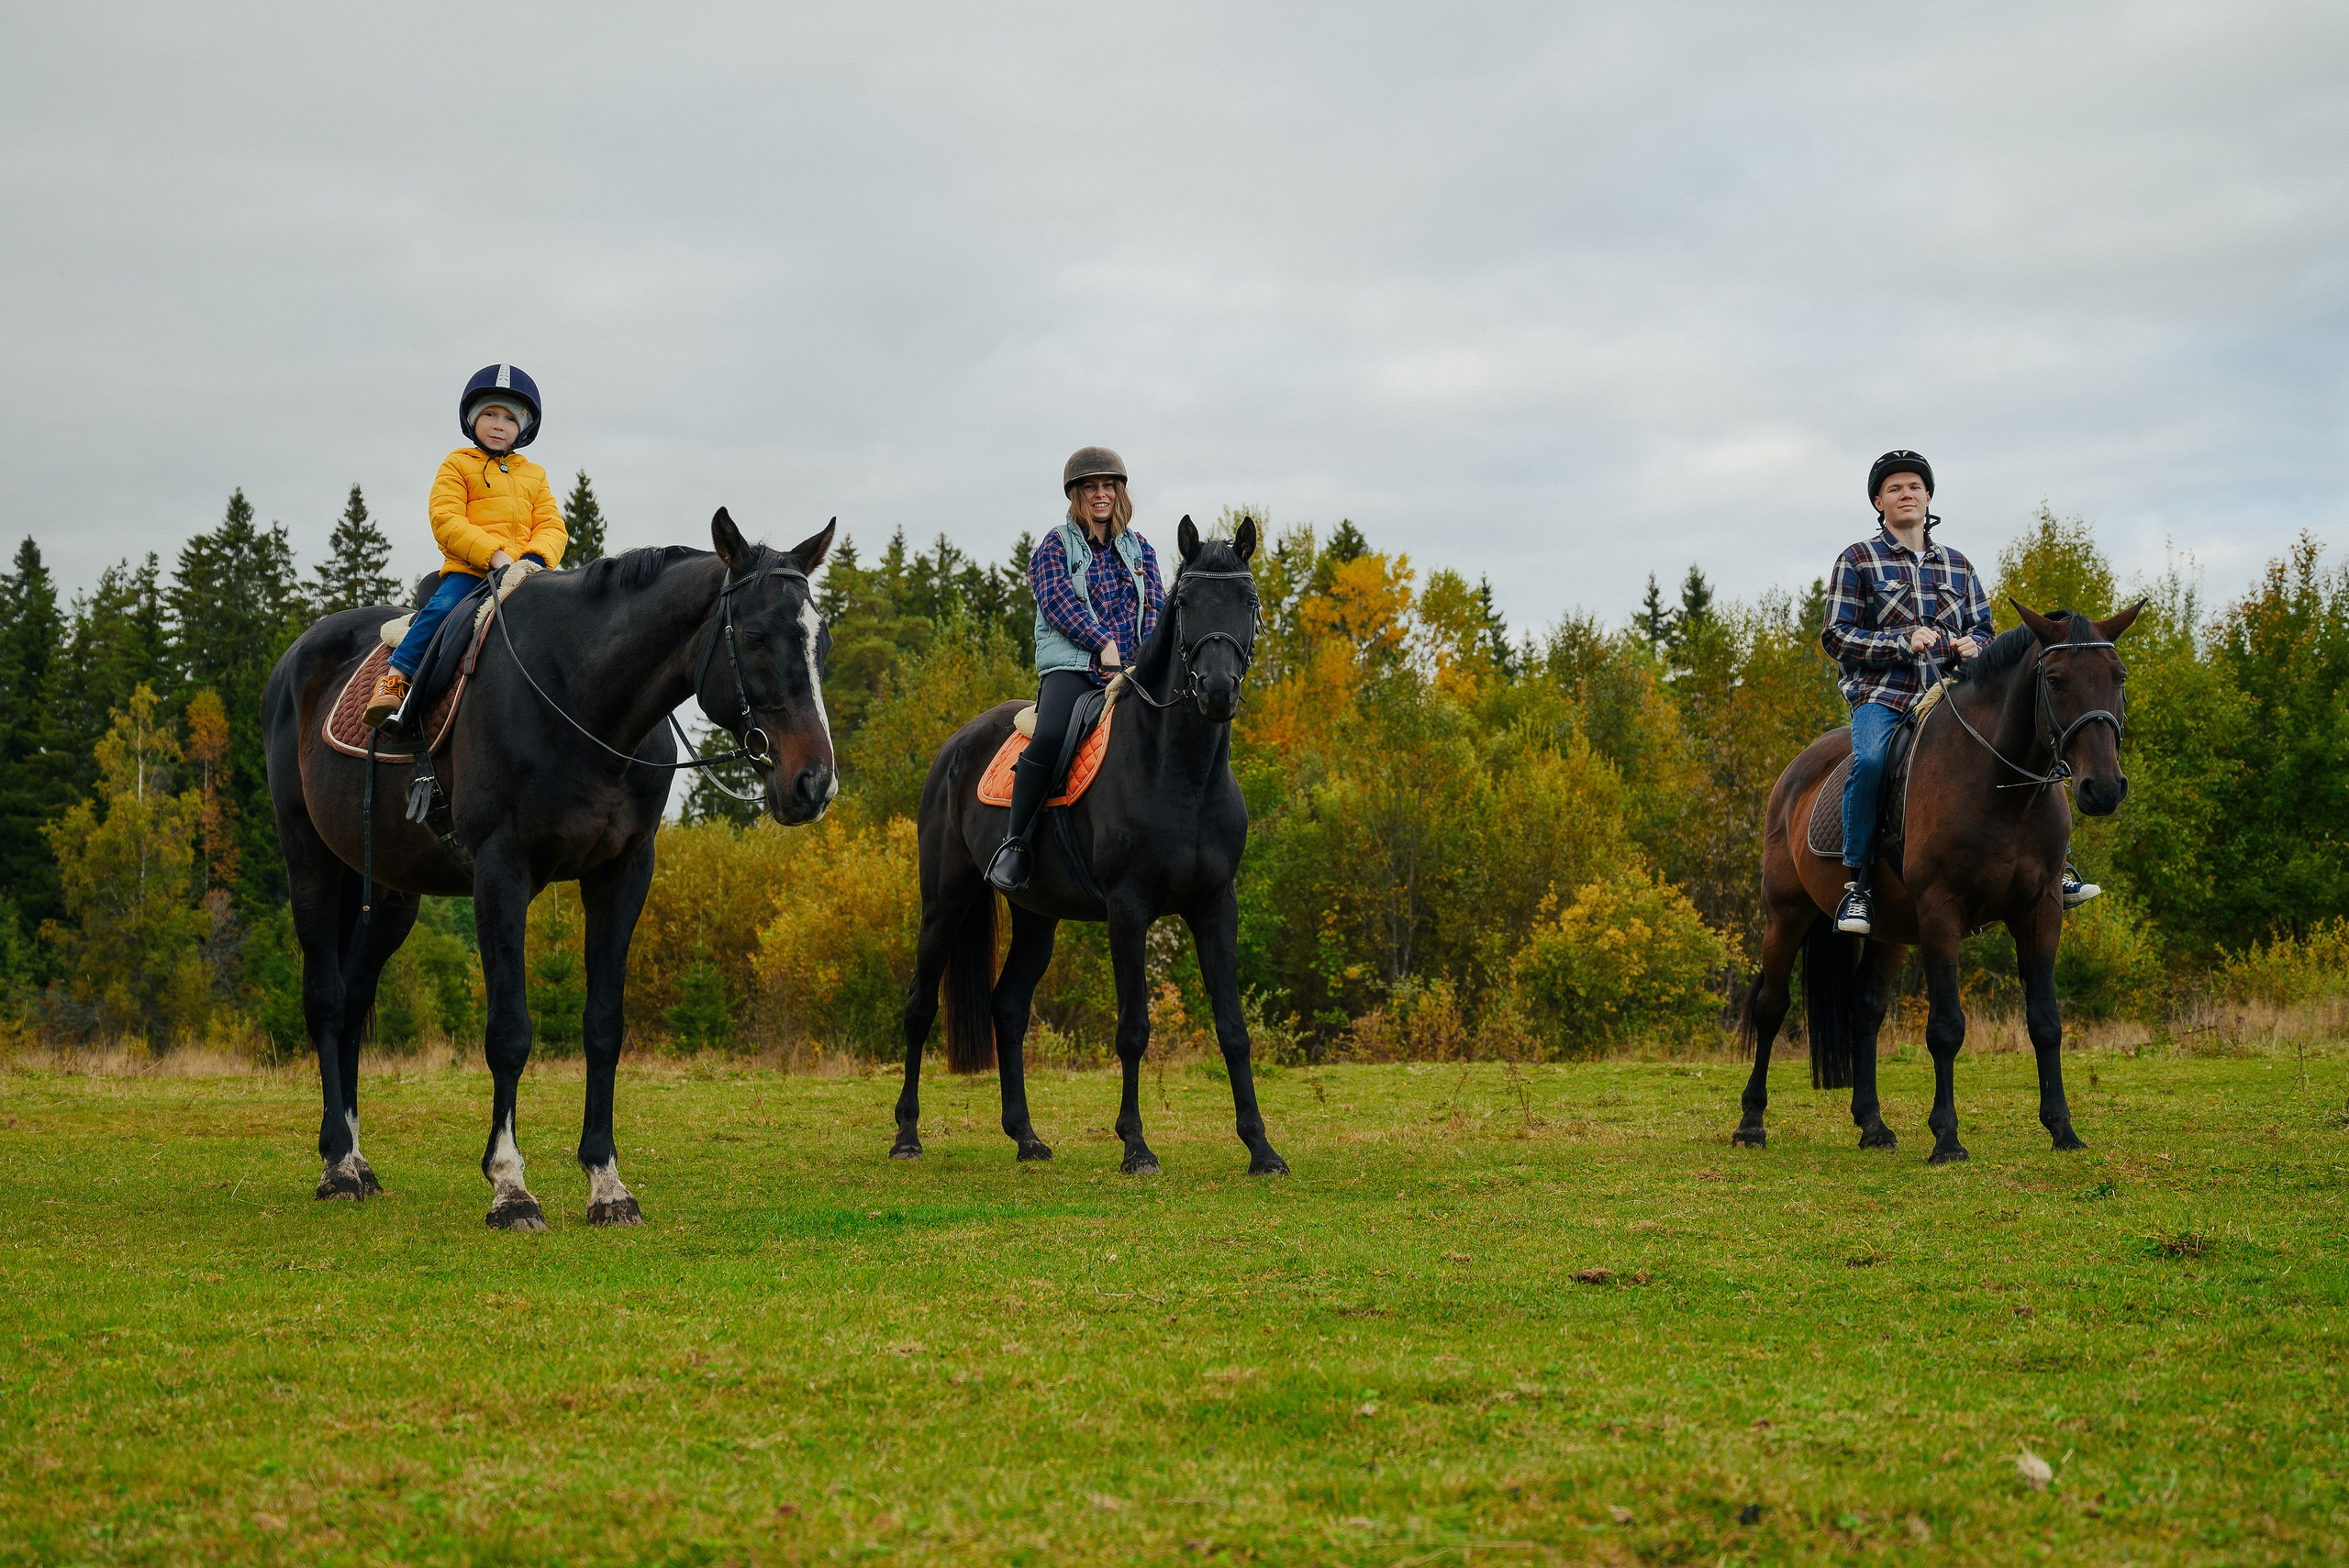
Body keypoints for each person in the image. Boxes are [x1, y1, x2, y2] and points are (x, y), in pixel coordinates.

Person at [1820, 450, 2100, 935]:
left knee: (2032, 746)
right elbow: (1837, 636)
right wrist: (1900, 641)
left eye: (1914, 487)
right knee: (1868, 763)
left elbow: (1985, 631)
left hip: (1955, 694)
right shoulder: (1857, 560)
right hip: (1884, 695)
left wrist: (1976, 645)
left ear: (1928, 498)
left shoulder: (1959, 565)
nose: (1906, 495)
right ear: (1878, 503)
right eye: (1894, 489)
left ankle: (2060, 867)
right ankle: (1858, 887)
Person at [985, 446, 1165, 894]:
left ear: (1120, 492)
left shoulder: (1141, 549)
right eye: (1091, 487)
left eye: (1108, 486)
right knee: (1049, 735)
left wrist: (1141, 656)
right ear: (1076, 495)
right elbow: (1058, 603)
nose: (1100, 495)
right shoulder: (1054, 545)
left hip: (1132, 668)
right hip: (1072, 666)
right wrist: (1102, 644)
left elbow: (1157, 608)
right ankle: (1016, 844)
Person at [363, 364, 568, 728]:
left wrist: (533, 559)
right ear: (472, 419)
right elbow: (446, 520)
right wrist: (494, 556)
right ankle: (396, 680)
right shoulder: (457, 464)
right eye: (489, 413)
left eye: (509, 417)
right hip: (470, 570)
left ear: (523, 428)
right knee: (442, 609)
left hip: (525, 573)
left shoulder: (534, 475)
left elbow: (552, 525)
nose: (498, 424)